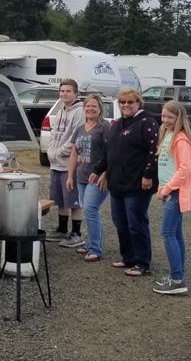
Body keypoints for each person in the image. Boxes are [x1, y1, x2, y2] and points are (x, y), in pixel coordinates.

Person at [91, 87, 159, 277]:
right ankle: (128, 257)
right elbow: (109, 151)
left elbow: (154, 151)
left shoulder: (147, 122)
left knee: (136, 223)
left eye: (130, 102)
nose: (126, 105)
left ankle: (142, 263)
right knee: (120, 222)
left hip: (137, 183)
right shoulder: (118, 124)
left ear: (138, 103)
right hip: (117, 182)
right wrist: (98, 169)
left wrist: (148, 175)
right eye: (122, 102)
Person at [153, 100, 191, 295]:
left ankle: (177, 280)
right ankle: (177, 275)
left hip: (176, 193)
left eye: (170, 117)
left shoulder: (180, 139)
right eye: (163, 116)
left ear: (179, 118)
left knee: (167, 233)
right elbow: (166, 166)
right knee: (176, 234)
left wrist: (167, 189)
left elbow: (185, 170)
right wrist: (161, 187)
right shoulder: (167, 135)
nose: (165, 120)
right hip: (170, 191)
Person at [65, 95, 108, 261]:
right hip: (81, 176)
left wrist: (105, 174)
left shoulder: (105, 127)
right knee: (88, 210)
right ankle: (90, 244)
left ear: (100, 109)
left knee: (90, 209)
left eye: (94, 106)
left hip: (97, 177)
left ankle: (96, 249)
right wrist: (70, 176)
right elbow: (74, 154)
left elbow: (111, 152)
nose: (90, 109)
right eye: (88, 106)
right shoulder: (80, 128)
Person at [45, 79, 85, 246]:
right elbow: (54, 133)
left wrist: (60, 152)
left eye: (68, 91)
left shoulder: (79, 111)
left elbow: (76, 137)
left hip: (69, 163)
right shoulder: (61, 110)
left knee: (73, 200)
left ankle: (76, 233)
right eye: (62, 91)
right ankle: (62, 230)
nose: (64, 94)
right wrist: (51, 151)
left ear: (76, 93)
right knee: (60, 199)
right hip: (56, 163)